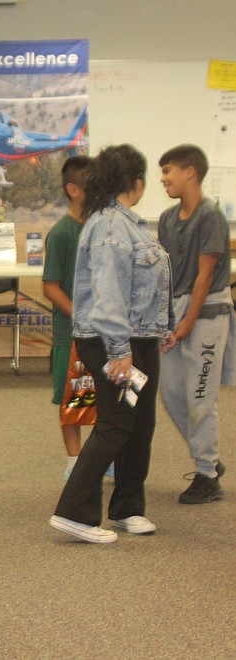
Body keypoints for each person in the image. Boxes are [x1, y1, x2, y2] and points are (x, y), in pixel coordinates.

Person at [50, 144, 171, 543]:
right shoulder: (109, 227)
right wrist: (121, 352)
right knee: (116, 424)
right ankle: (76, 514)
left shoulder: (127, 222)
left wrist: (161, 326)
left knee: (140, 424)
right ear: (136, 182)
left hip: (138, 337)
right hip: (114, 341)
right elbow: (109, 294)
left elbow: (142, 285)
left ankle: (127, 509)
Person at [156, 144, 233, 504]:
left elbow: (204, 276)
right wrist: (167, 320)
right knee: (172, 394)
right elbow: (166, 274)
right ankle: (211, 460)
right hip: (175, 315)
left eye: (168, 171)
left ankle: (206, 475)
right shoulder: (168, 219)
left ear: (190, 172)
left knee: (200, 396)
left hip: (206, 317)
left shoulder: (211, 216)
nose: (163, 179)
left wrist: (186, 324)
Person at [41, 157, 94, 478]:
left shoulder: (102, 227)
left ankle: (106, 461)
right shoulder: (61, 233)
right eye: (92, 184)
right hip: (71, 334)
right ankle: (75, 462)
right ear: (73, 190)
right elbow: (50, 287)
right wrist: (80, 317)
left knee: (102, 399)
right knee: (71, 401)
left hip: (104, 334)